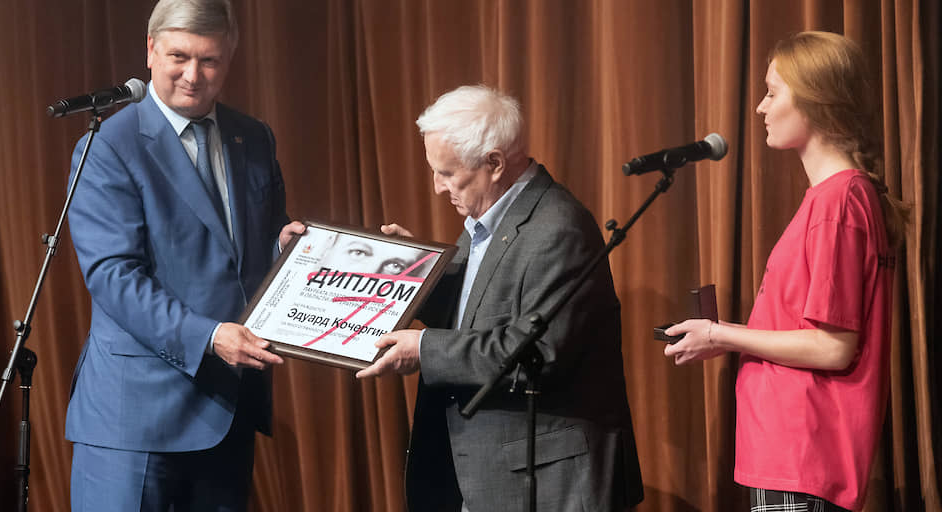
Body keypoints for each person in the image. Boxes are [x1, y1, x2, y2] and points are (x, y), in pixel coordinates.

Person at [65, 0, 305, 511]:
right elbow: (113, 276)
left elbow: (252, 244)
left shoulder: (254, 137)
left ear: (229, 57)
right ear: (150, 49)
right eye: (178, 57)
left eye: (209, 60)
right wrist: (209, 336)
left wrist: (285, 249)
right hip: (134, 421)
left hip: (229, 410)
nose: (193, 75)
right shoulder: (107, 146)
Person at [356, 85, 644, 511]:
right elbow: (477, 313)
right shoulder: (489, 219)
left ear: (493, 163)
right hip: (490, 472)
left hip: (545, 481)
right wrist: (416, 271)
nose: (437, 187)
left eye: (448, 173)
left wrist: (424, 349)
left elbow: (536, 351)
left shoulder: (558, 229)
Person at [663, 31, 908, 511]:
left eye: (773, 93)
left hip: (805, 455)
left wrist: (720, 333)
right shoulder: (833, 197)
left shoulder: (838, 201)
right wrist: (722, 335)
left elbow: (833, 347)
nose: (760, 107)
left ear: (816, 102)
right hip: (792, 454)